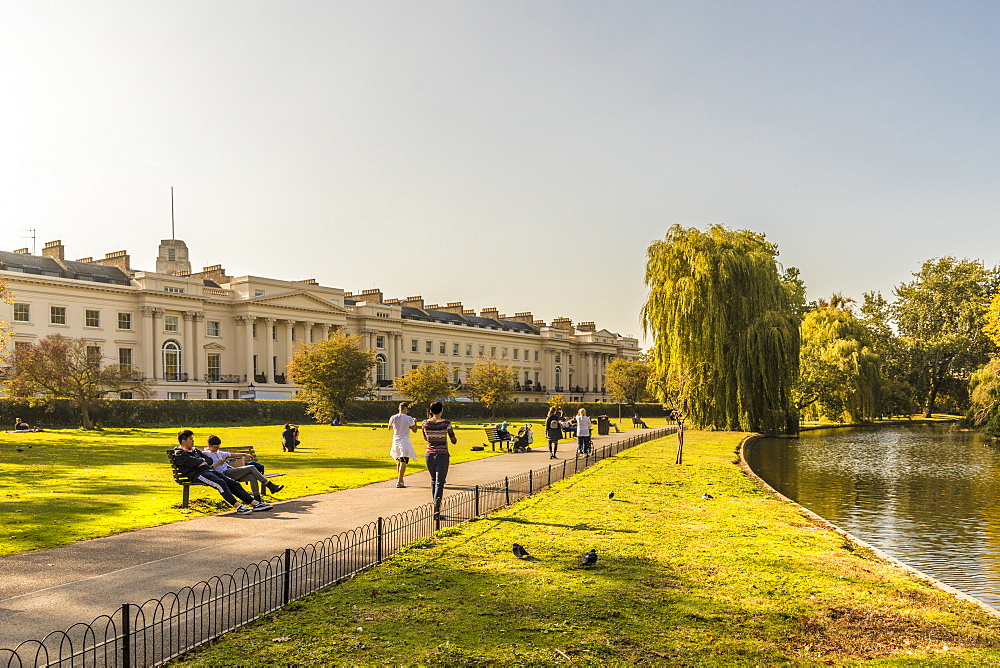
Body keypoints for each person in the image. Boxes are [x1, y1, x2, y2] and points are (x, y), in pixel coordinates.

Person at [172, 430, 272, 514]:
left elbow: (209, 460)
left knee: (232, 483)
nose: (193, 441)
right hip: (198, 475)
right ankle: (238, 507)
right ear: (183, 441)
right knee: (221, 483)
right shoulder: (180, 453)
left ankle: (255, 503)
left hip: (208, 471)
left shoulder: (195, 451)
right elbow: (193, 462)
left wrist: (202, 462)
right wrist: (202, 462)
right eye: (190, 439)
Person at [203, 435, 285, 501]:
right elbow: (206, 468)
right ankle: (270, 485)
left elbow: (230, 454)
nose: (217, 449)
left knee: (252, 476)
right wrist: (218, 463)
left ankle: (257, 499)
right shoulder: (205, 454)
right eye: (215, 447)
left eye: (218, 447)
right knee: (251, 467)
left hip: (230, 471)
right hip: (223, 474)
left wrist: (244, 454)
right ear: (209, 446)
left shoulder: (218, 452)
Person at [422, 401, 457, 519]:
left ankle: (435, 508)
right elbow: (453, 439)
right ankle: (437, 511)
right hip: (442, 454)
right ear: (441, 410)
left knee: (433, 481)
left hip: (429, 455)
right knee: (440, 483)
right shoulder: (447, 423)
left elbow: (425, 438)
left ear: (431, 411)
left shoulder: (425, 423)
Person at [388, 402, 419, 488]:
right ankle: (400, 481)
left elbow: (389, 428)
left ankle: (400, 479)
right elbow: (414, 430)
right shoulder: (408, 418)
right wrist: (415, 422)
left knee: (398, 461)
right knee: (403, 461)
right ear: (405, 409)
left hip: (395, 440)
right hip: (404, 441)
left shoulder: (393, 417)